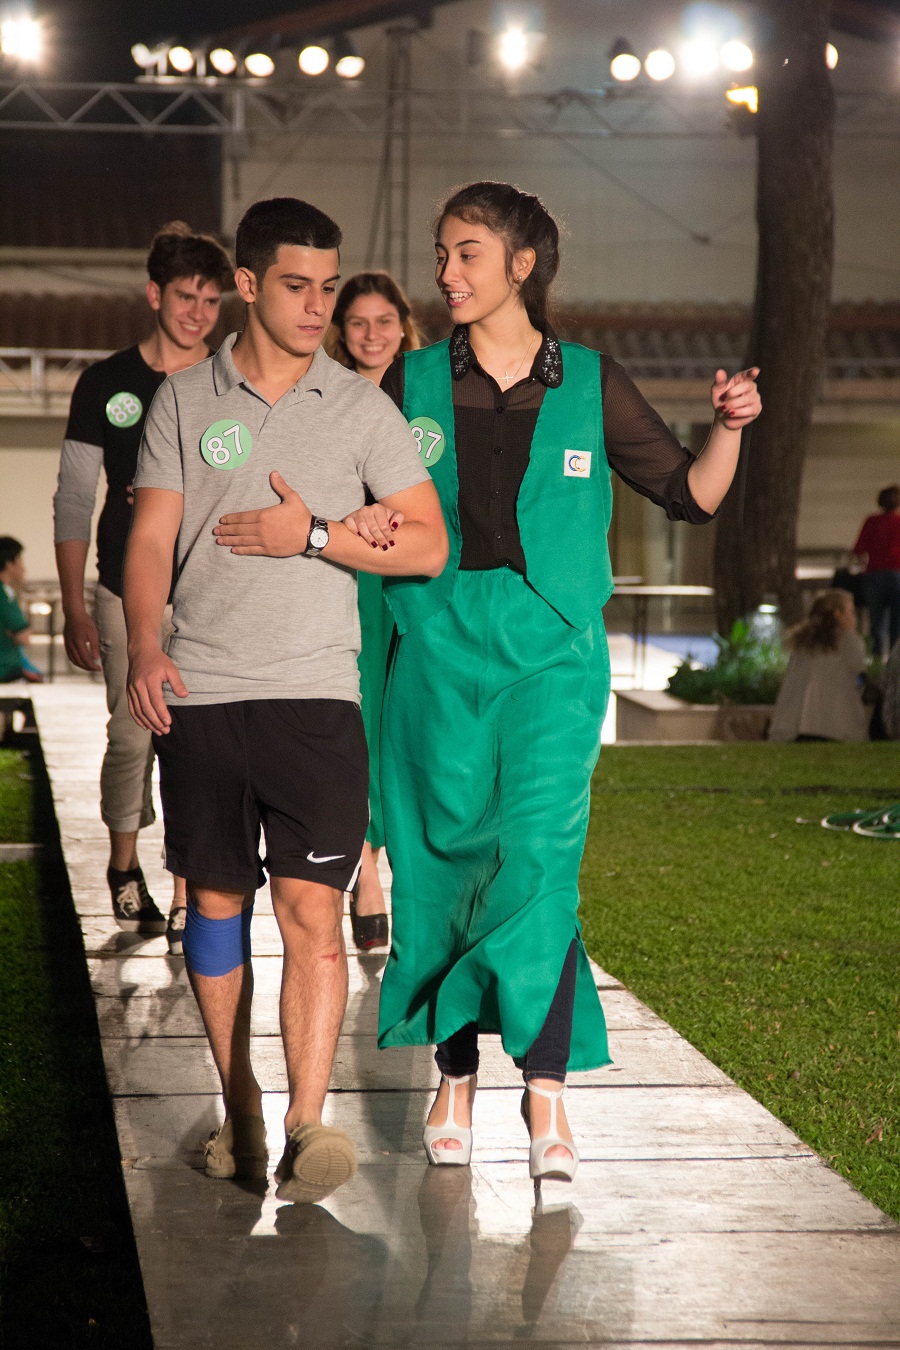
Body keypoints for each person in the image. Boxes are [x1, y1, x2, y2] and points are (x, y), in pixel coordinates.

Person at [354, 180, 761, 1181]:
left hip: (552, 657)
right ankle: (455, 1076)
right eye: (442, 253)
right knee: (442, 869)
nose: (447, 272)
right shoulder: (406, 383)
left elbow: (691, 494)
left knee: (537, 862)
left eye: (467, 253)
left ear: (522, 263)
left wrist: (730, 426)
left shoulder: (590, 379)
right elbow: (354, 510)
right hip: (435, 647)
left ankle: (545, 1090)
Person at [124, 197, 447, 1203]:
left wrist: (314, 535)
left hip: (316, 697)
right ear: (248, 285)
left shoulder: (359, 409)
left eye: (328, 287)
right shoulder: (184, 401)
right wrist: (144, 643)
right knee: (216, 908)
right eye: (298, 286)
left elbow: (428, 543)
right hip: (204, 693)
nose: (318, 307)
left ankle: (309, 1123)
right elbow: (150, 535)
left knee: (313, 909)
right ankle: (240, 1106)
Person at [53, 222, 233, 951]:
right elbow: (73, 499)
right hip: (125, 593)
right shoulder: (106, 383)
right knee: (133, 734)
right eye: (187, 297)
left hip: (209, 591)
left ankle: (188, 889)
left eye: (212, 302)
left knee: (195, 741)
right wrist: (74, 604)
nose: (199, 313)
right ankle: (124, 866)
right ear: (155, 294)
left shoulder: (226, 382)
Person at [325, 271, 423, 949]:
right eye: (357, 321)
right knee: (357, 717)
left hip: (417, 576)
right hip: (353, 575)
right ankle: (364, 866)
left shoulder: (431, 394)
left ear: (403, 326)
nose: (371, 334)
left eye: (383, 321)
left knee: (406, 722)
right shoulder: (326, 395)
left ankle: (405, 863)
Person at [768, 589, 869, 743]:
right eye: (851, 612)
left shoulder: (802, 643)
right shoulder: (849, 641)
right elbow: (859, 673)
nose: (854, 618)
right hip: (836, 724)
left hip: (795, 723)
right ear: (838, 614)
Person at [851, 485, 900, 658]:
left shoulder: (871, 521)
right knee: (897, 624)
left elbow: (858, 549)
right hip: (897, 575)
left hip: (874, 575)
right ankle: (894, 660)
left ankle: (877, 658)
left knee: (876, 622)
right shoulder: (898, 522)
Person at [0, 538, 43, 684]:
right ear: (9, 564)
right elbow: (23, 637)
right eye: (20, 561)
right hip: (6, 670)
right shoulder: (4, 595)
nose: (24, 568)